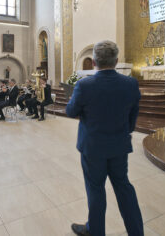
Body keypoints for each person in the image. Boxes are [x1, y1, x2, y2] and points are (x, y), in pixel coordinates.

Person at [66, 41, 143, 236]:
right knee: (124, 188)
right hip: (119, 146)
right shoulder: (130, 83)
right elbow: (133, 117)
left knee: (95, 190)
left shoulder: (84, 85)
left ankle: (95, 231)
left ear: (93, 62)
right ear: (116, 61)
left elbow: (71, 111)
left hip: (92, 149)